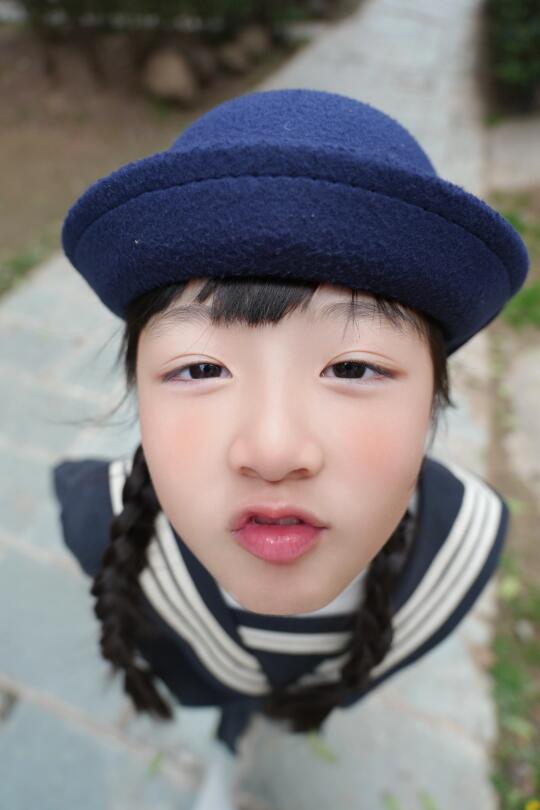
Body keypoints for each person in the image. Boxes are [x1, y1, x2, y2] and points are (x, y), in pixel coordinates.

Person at [51, 88, 529, 809]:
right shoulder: (101, 520)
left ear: (435, 395)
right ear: (138, 390)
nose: (273, 451)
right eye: (201, 368)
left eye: (354, 367)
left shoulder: (460, 551)